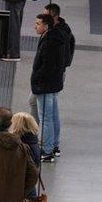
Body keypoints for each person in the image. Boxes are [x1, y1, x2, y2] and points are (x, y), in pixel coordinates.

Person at [31, 14, 69, 163]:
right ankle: (54, 145)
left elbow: (45, 66)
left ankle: (46, 151)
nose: (35, 26)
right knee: (53, 116)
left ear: (46, 26)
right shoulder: (57, 38)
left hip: (45, 86)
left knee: (45, 118)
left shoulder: (48, 42)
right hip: (54, 84)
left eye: (38, 23)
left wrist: (37, 80)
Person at [29, 4, 75, 127]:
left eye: (46, 16)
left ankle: (34, 132)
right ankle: (34, 131)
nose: (43, 17)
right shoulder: (51, 32)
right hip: (51, 76)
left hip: (49, 78)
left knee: (46, 114)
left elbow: (52, 60)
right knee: (35, 103)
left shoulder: (57, 35)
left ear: (54, 17)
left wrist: (61, 67)